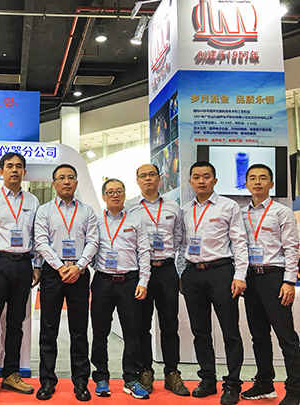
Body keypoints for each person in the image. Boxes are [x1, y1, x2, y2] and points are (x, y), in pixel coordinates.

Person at [0, 152, 41, 403]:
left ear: (24, 172)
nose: (15, 170)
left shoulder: (32, 200)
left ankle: (11, 373)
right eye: (10, 166)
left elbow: (36, 236)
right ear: (1, 171)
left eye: (19, 166)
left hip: (23, 265)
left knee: (16, 323)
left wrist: (36, 265)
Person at [180, 161, 248, 405]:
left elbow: (239, 241)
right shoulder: (185, 210)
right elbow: (181, 243)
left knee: (230, 331)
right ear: (190, 181)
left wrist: (240, 275)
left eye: (206, 176)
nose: (201, 181)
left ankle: (233, 384)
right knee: (200, 331)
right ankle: (207, 379)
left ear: (215, 180)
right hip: (193, 274)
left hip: (221, 272)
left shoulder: (228, 206)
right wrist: (181, 274)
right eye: (196, 177)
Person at [34, 164, 98, 402]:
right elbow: (41, 242)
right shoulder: (44, 211)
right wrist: (60, 267)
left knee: (79, 330)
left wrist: (79, 266)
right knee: (48, 329)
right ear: (54, 184)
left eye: (71, 177)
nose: (67, 181)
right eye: (61, 178)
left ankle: (81, 381)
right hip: (53, 273)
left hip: (79, 273)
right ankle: (47, 381)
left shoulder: (88, 211)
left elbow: (93, 241)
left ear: (77, 182)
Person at [125, 164, 189, 396]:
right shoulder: (129, 207)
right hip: (141, 272)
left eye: (152, 174)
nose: (148, 179)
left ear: (159, 178)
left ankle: (172, 373)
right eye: (143, 175)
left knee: (169, 323)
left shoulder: (173, 207)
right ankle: (145, 371)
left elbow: (180, 240)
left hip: (166, 270)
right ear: (137, 180)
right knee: (141, 324)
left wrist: (179, 272)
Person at [240, 164, 300, 405]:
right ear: (246, 184)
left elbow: (292, 248)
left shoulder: (281, 212)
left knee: (286, 336)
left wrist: (289, 281)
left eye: (263, 178)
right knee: (259, 335)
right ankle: (265, 383)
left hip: (275, 277)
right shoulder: (241, 214)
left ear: (271, 184)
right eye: (252, 178)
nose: (257, 182)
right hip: (251, 278)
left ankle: (295, 388)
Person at [90, 178, 151, 400]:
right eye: (110, 192)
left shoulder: (136, 219)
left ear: (125, 195)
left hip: (130, 281)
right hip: (103, 281)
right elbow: (90, 247)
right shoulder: (95, 220)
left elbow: (144, 251)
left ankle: (131, 378)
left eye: (119, 191)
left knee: (132, 332)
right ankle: (101, 377)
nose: (115, 195)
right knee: (100, 332)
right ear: (103, 196)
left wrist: (143, 281)